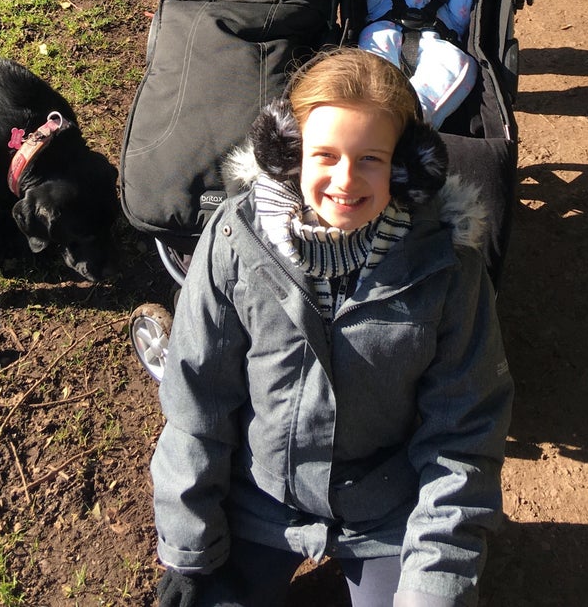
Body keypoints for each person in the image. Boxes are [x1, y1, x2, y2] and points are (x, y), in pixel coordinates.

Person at [151, 47, 512, 607]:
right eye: (326, 155)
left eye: (371, 158)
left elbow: (462, 436)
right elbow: (197, 400)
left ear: (409, 166)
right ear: (288, 153)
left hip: (385, 509)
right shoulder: (234, 241)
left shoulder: (448, 267)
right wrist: (190, 545)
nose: (346, 180)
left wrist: (435, 581)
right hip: (257, 497)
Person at [360, 0, 479, 127]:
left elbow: (459, 18)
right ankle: (374, 99)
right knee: (374, 42)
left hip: (434, 38)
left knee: (457, 61)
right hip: (387, 28)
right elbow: (371, 3)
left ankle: (420, 108)